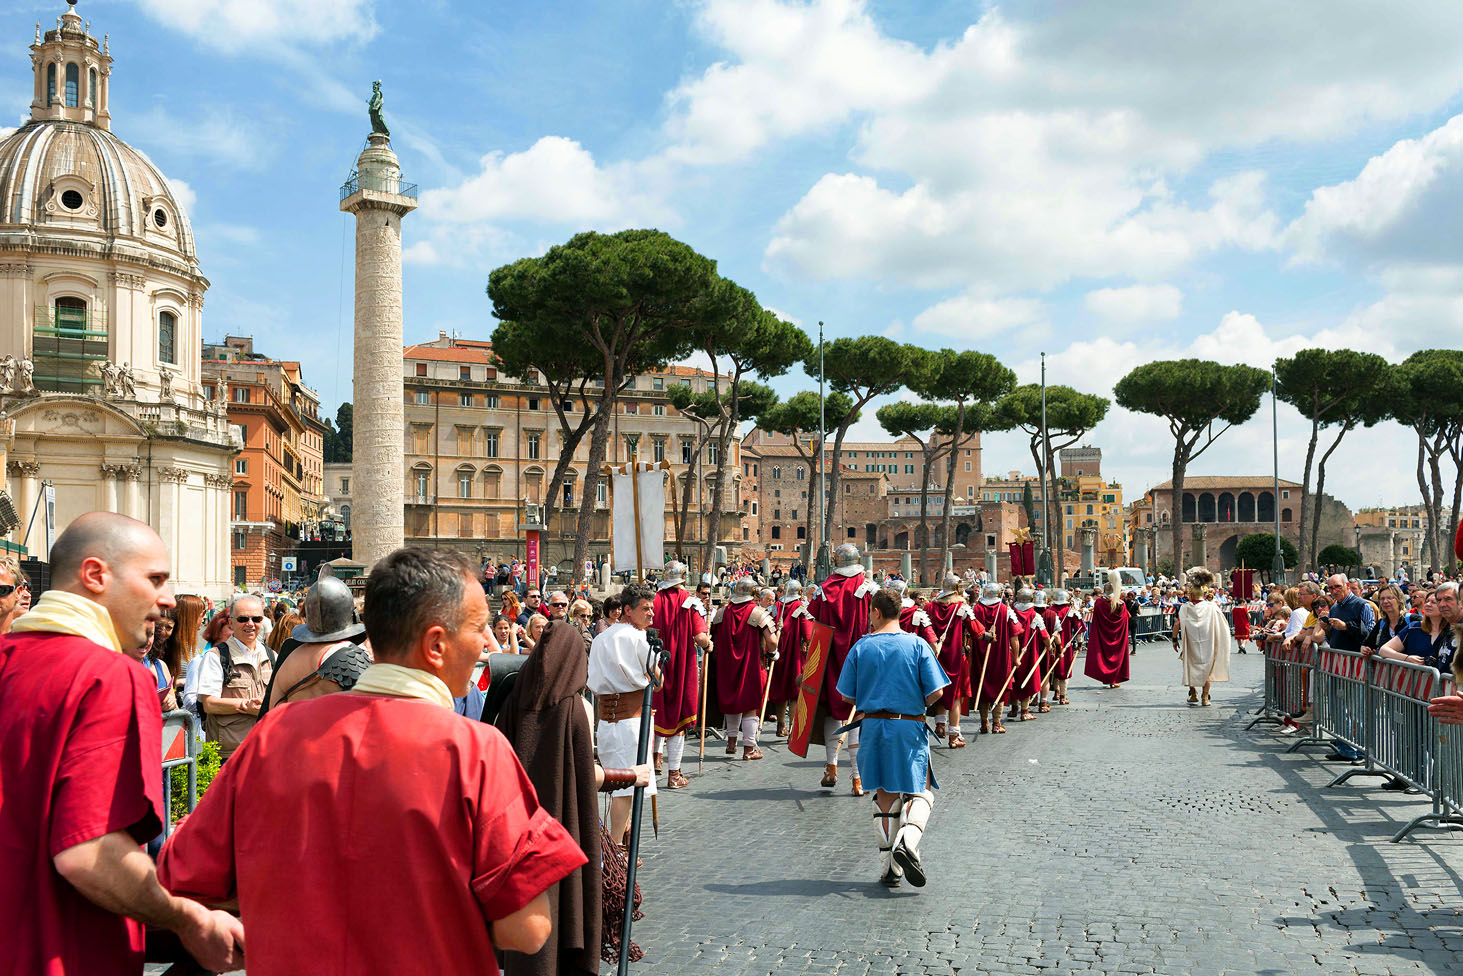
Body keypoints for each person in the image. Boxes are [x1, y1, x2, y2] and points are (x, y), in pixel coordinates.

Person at [159, 548, 585, 975]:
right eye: (478, 628)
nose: (485, 643)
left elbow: (183, 876)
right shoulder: (476, 750)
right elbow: (526, 928)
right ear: (436, 643)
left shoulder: (274, 734)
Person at [0, 512, 244, 975]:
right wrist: (188, 918)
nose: (167, 599)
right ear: (95, 575)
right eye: (154, 579)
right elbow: (88, 853)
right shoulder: (111, 676)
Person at [492, 619, 652, 976]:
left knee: (525, 924)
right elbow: (586, 775)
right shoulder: (573, 709)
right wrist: (630, 776)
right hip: (563, 834)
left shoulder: (512, 704)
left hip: (517, 836)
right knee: (565, 916)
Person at [836, 587, 949, 889]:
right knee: (919, 791)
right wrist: (913, 703)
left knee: (884, 796)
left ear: (875, 612)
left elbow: (847, 696)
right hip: (908, 726)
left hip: (872, 728)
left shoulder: (861, 647)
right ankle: (908, 842)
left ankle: (889, 868)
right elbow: (937, 692)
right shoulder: (917, 645)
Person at [588, 582, 661, 846]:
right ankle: (616, 848)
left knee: (618, 784)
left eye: (652, 608)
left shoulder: (600, 639)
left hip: (607, 723)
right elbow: (658, 679)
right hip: (631, 723)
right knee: (627, 788)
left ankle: (621, 846)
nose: (651, 614)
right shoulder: (637, 638)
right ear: (627, 610)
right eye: (645, 609)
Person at [808, 543, 879, 793]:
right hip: (862, 658)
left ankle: (831, 766)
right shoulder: (870, 589)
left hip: (829, 660)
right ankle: (858, 779)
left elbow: (814, 624)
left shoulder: (821, 591)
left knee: (833, 712)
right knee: (857, 715)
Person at [261, 571, 372, 715]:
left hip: (289, 735)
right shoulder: (348, 654)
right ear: (350, 614)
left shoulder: (290, 653)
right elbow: (373, 712)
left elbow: (269, 713)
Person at [650, 561, 711, 789]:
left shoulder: (652, 600)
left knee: (655, 710)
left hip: (653, 662)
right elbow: (700, 638)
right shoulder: (691, 601)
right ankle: (674, 773)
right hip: (681, 664)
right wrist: (709, 644)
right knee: (678, 716)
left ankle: (656, 756)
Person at [196, 594, 273, 759]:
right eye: (243, 619)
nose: (250, 624)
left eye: (257, 619)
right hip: (229, 754)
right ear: (231, 622)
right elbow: (209, 704)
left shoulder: (271, 656)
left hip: (265, 749)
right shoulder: (216, 656)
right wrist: (246, 705)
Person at [711, 577, 778, 761]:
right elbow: (772, 641)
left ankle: (731, 743)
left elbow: (712, 640)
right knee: (750, 706)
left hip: (726, 666)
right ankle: (749, 748)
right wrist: (773, 653)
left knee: (732, 704)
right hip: (751, 665)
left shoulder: (722, 612)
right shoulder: (758, 612)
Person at [920, 574, 981, 747]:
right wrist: (990, 637)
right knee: (956, 694)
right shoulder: (962, 607)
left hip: (935, 655)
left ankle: (940, 723)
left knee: (940, 687)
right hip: (956, 656)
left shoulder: (930, 607)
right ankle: (954, 734)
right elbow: (977, 630)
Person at [968, 581, 1022, 734]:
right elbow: (1014, 638)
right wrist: (1016, 658)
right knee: (999, 687)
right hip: (1001, 655)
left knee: (982, 686)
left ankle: (984, 723)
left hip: (980, 654)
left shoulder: (975, 609)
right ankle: (996, 724)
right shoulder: (1006, 610)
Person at [1171, 567, 1229, 707]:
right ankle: (1205, 697)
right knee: (1206, 669)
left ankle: (1193, 694)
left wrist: (1174, 640)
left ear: (1191, 595)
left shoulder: (1185, 608)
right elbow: (1223, 623)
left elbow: (1177, 624)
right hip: (1208, 644)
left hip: (1190, 645)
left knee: (1191, 668)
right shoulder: (1212, 607)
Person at [768, 578, 812, 737]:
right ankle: (793, 729)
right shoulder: (800, 607)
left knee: (781, 691)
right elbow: (808, 634)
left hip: (777, 654)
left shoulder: (775, 607)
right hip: (795, 656)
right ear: (800, 592)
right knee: (795, 693)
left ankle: (781, 725)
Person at [1008, 586, 1049, 721]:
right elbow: (1045, 636)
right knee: (1027, 679)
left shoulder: (1010, 613)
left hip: (1011, 651)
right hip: (1029, 653)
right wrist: (1049, 647)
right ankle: (1024, 711)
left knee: (1014, 678)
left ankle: (1014, 708)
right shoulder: (1035, 615)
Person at [1085, 571, 1131, 688]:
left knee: (1104, 654)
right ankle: (1113, 679)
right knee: (1116, 654)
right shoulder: (1120, 604)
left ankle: (1108, 678)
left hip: (1104, 633)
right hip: (1116, 635)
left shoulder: (1100, 602)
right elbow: (1126, 616)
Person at [1049, 589, 1084, 705]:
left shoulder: (1049, 610)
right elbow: (1078, 628)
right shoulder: (1070, 611)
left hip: (1049, 644)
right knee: (1064, 670)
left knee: (1053, 668)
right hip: (1064, 644)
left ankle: (1056, 692)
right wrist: (1079, 643)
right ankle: (1062, 696)